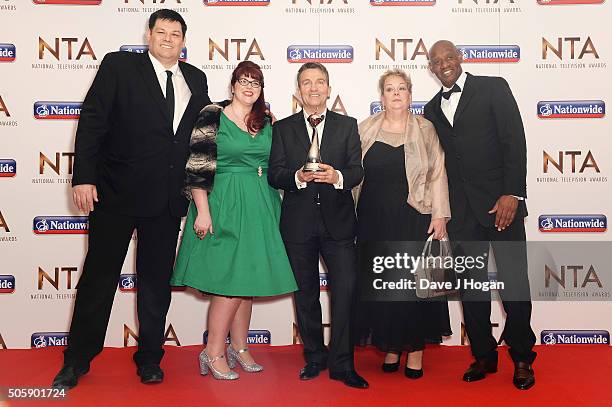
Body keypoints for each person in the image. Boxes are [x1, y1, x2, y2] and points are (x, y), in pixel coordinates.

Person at [51, 9, 211, 389]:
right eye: (162, 32)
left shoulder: (195, 78)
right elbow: (92, 121)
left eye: (176, 33)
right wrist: (84, 178)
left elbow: (200, 132)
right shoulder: (119, 66)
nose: (169, 38)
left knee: (155, 283)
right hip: (115, 193)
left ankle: (151, 358)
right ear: (149, 35)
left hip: (167, 199)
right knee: (99, 279)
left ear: (184, 41)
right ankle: (77, 360)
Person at [171, 61, 298, 380]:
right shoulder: (211, 115)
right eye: (243, 81)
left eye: (255, 82)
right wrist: (202, 210)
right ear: (232, 85)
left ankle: (239, 347)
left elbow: (276, 163)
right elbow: (197, 165)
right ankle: (212, 351)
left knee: (247, 282)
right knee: (228, 283)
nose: (249, 87)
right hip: (223, 201)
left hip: (261, 203)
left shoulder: (267, 120)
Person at [424, 40, 536, 390]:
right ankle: (483, 356)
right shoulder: (430, 109)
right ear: (431, 68)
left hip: (502, 205)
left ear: (461, 58)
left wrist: (512, 193)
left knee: (514, 284)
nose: (444, 64)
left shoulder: (493, 87)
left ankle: (521, 357)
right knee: (471, 289)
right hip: (462, 213)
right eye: (437, 61)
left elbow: (514, 141)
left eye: (449, 57)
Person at [268, 62, 368, 389]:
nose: (313, 88)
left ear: (329, 88)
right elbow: (275, 174)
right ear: (298, 91)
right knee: (306, 295)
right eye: (307, 82)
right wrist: (297, 177)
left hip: (339, 226)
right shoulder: (282, 129)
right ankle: (314, 357)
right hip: (298, 226)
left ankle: (342, 363)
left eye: (320, 82)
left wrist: (337, 177)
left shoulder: (347, 125)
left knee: (345, 293)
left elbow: (356, 171)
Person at [353, 69, 451, 379]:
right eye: (390, 89)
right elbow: (353, 175)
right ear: (381, 97)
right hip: (373, 222)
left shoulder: (425, 129)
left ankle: (416, 351)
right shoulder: (364, 129)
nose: (396, 94)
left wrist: (440, 215)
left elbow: (437, 173)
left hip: (413, 218)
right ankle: (392, 346)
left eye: (402, 89)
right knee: (385, 288)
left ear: (410, 95)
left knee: (413, 288)